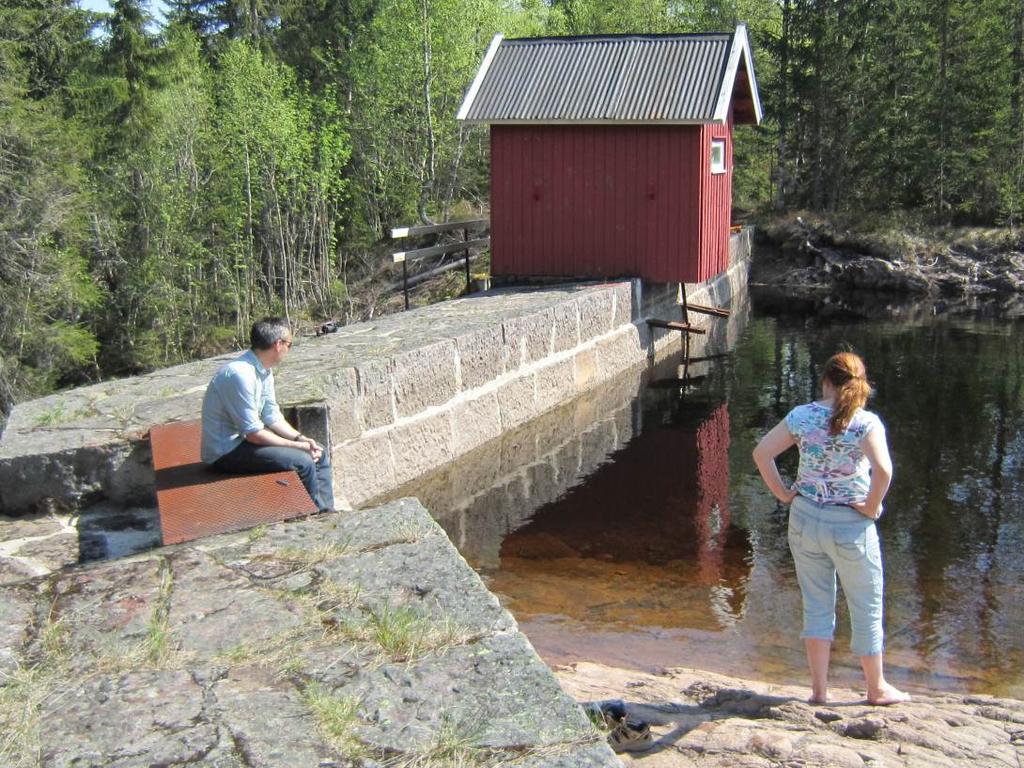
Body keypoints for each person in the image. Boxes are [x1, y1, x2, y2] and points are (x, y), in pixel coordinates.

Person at [752, 351, 909, 706]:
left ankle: (819, 692)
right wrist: (871, 506)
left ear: (825, 381)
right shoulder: (865, 422)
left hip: (805, 519)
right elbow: (883, 472)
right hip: (850, 525)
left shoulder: (802, 416)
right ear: (859, 384)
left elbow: (762, 453)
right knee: (865, 604)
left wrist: (783, 493)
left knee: (817, 604)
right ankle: (876, 688)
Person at [201, 317, 336, 513]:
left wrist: (302, 438)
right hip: (226, 452)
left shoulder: (264, 370)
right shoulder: (240, 375)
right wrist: (297, 446)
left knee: (319, 452)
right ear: (278, 345)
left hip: (244, 443)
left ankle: (326, 511)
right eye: (290, 344)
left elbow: (272, 415)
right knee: (304, 461)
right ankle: (314, 514)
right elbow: (253, 433)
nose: (290, 349)